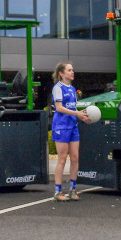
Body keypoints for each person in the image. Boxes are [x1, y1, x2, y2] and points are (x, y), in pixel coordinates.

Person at [51, 61, 88, 202]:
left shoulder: (72, 89)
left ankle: (73, 190)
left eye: (72, 70)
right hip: (61, 126)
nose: (72, 72)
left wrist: (81, 115)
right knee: (62, 159)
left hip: (72, 126)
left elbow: (72, 109)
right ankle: (57, 191)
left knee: (75, 158)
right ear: (61, 73)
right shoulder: (57, 87)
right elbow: (59, 108)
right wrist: (76, 114)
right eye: (69, 70)